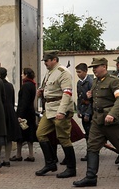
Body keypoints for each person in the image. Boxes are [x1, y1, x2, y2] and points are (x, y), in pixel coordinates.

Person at [72, 57, 119, 187]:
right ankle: (91, 177)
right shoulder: (96, 82)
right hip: (98, 120)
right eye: (92, 67)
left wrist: (112, 114)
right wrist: (90, 97)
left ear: (104, 66)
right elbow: (97, 99)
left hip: (112, 122)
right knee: (92, 146)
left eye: (96, 67)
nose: (94, 70)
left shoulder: (114, 81)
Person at [35, 50, 75, 178]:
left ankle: (71, 168)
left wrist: (62, 111)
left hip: (59, 109)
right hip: (49, 109)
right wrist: (41, 92)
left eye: (47, 60)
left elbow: (67, 93)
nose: (45, 63)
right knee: (40, 133)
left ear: (54, 59)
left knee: (63, 137)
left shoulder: (63, 72)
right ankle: (50, 163)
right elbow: (49, 88)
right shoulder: (49, 73)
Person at [0, 66, 21, 166]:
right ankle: (7, 159)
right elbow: (12, 99)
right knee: (9, 136)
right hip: (10, 110)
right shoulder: (10, 85)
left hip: (1, 111)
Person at [14, 67, 37, 162]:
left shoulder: (26, 86)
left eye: (22, 73)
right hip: (30, 112)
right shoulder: (32, 84)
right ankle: (30, 154)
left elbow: (24, 101)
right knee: (29, 134)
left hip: (25, 114)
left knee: (20, 134)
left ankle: (19, 154)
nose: (21, 75)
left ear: (26, 75)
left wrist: (20, 115)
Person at [75, 63, 93, 161]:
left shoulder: (90, 82)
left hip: (89, 111)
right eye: (77, 72)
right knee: (87, 133)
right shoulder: (79, 83)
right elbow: (79, 97)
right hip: (83, 109)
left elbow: (92, 100)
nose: (78, 74)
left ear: (85, 71)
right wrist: (78, 110)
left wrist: (87, 113)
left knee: (90, 134)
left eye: (79, 72)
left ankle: (91, 153)